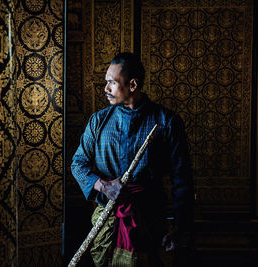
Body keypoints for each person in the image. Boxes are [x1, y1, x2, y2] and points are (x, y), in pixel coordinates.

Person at [71, 52, 194, 266]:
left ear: (133, 84)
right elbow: (78, 164)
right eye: (105, 82)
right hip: (106, 221)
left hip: (150, 220)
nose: (106, 89)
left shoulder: (166, 122)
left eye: (111, 83)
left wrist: (179, 226)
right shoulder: (98, 121)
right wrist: (103, 186)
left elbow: (182, 178)